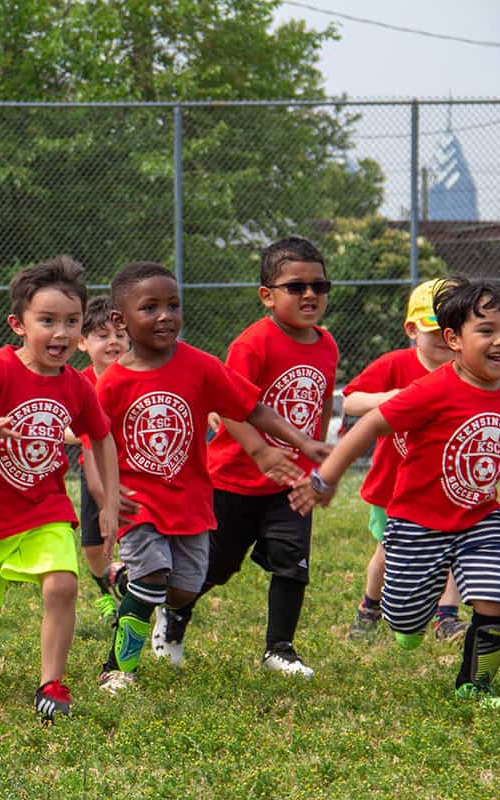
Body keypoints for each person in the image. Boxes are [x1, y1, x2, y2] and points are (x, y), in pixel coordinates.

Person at [292, 277, 500, 707]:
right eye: (486, 330)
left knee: (498, 600)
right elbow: (373, 423)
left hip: (480, 522)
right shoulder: (433, 389)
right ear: (453, 339)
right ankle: (405, 621)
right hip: (416, 524)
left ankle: (475, 684)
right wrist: (327, 476)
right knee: (405, 616)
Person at [96, 262, 329, 690]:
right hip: (139, 501)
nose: (165, 315)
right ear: (119, 319)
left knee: (183, 590)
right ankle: (117, 669)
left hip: (190, 501)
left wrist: (303, 440)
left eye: (173, 305)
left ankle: (123, 579)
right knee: (151, 582)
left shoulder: (199, 366)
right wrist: (107, 494)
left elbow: (251, 407)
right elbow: (95, 444)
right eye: (150, 307)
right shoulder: (111, 384)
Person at [0, 255, 120, 722]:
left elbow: (103, 436)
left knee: (62, 585)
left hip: (44, 506)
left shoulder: (76, 384)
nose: (61, 333)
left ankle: (51, 684)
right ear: (18, 323)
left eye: (71, 322)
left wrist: (109, 501)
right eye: (47, 321)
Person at [153, 236, 336, 678]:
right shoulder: (253, 344)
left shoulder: (327, 344)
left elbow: (322, 404)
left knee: (294, 562)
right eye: (296, 287)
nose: (310, 294)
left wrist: (317, 462)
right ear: (267, 296)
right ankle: (173, 616)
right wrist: (259, 450)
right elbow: (229, 405)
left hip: (291, 480)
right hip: (232, 480)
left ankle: (280, 649)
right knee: (215, 565)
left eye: (319, 285)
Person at [343, 279, 466, 643]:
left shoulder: (467, 370)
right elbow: (349, 401)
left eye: (454, 330)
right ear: (412, 330)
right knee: (389, 553)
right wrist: (391, 397)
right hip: (393, 488)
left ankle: (446, 617)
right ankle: (370, 606)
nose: (445, 339)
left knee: (454, 552)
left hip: (447, 487)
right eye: (435, 331)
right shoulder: (395, 364)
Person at [75, 295, 130, 626]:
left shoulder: (139, 375)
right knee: (94, 551)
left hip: (134, 473)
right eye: (102, 335)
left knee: (136, 540)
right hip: (93, 472)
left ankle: (142, 589)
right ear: (82, 342)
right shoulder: (79, 382)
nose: (113, 341)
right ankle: (109, 592)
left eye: (120, 335)